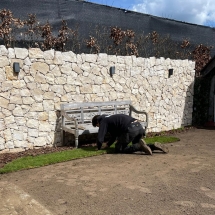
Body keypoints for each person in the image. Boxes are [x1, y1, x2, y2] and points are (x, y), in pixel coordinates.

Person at [92, 114, 169, 155]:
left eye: (97, 126)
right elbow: (114, 135)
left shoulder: (103, 121)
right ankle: (153, 146)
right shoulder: (110, 118)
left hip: (130, 129)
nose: (98, 127)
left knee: (119, 148)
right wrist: (108, 145)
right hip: (139, 127)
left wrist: (99, 147)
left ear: (97, 122)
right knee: (134, 146)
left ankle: (139, 146)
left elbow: (100, 137)